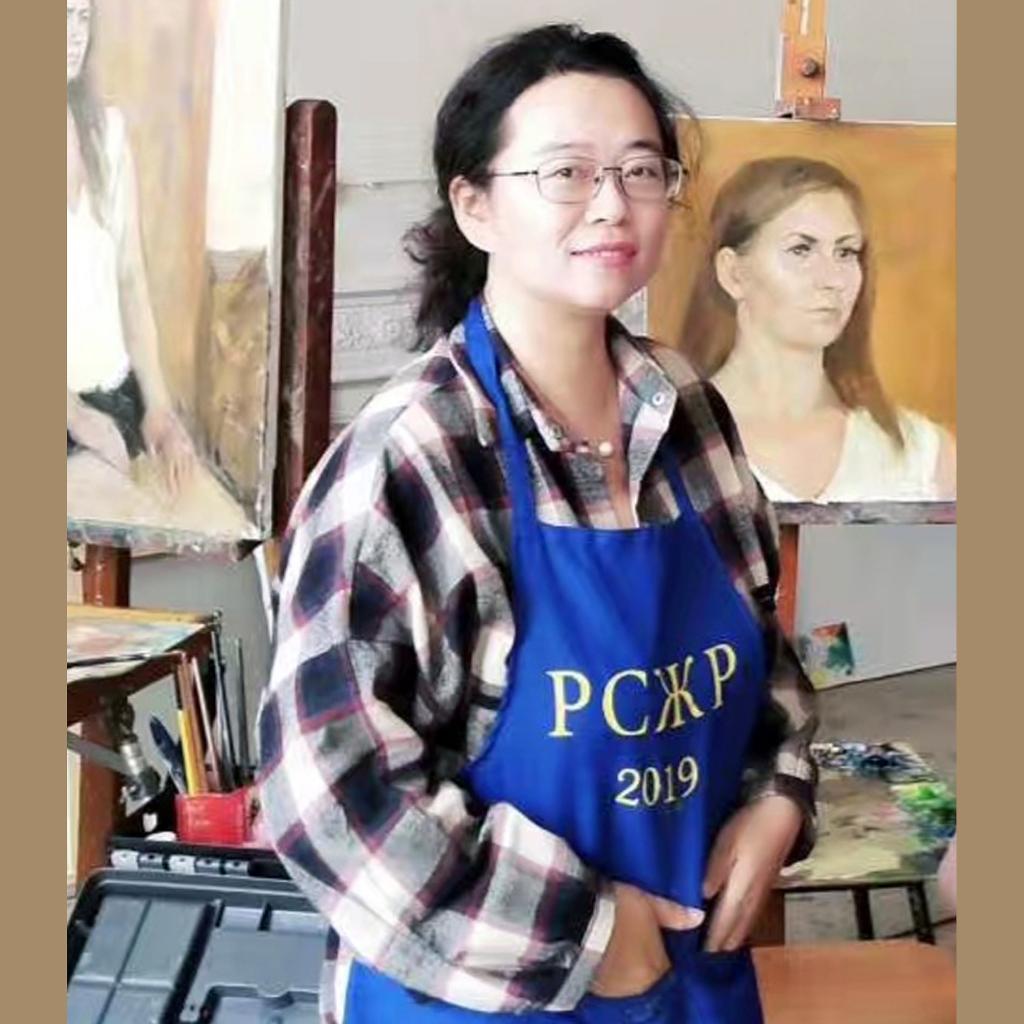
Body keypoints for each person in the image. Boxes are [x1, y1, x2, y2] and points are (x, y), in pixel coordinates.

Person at [257, 25, 818, 1024]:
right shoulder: (413, 453)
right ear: (474, 205)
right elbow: (328, 793)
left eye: (641, 170)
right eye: (566, 172)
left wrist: (780, 793)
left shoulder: (686, 409)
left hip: (693, 978)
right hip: (485, 994)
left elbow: (759, 654)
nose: (611, 204)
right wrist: (587, 934)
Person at [679, 157, 956, 503]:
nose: (833, 279)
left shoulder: (923, 458)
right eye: (801, 250)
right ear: (733, 274)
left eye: (846, 252)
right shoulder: (668, 444)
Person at [67, 0, 195, 510]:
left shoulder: (108, 130)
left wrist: (159, 409)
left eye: (82, 16)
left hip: (112, 395)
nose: (73, 33)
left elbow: (131, 280)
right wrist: (72, 414)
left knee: (163, 503)